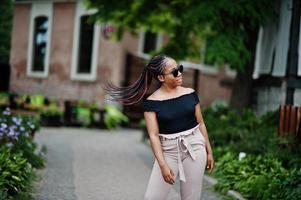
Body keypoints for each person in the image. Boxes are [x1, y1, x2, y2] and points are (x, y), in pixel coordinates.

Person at [104, 55, 214, 200]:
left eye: (180, 69)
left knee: (191, 197)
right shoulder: (152, 103)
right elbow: (153, 136)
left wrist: (209, 151)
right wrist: (162, 165)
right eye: (174, 72)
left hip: (195, 147)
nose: (180, 74)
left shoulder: (190, 94)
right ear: (161, 78)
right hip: (168, 152)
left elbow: (201, 123)